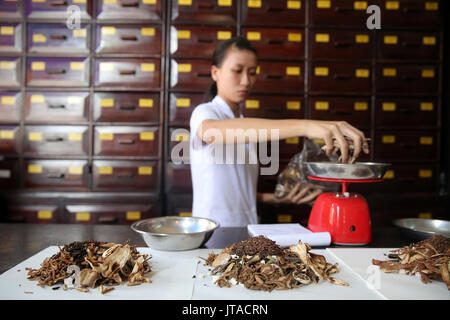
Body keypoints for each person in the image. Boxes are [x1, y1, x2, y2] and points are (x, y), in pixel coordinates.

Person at [189, 36, 369, 227]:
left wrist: (278, 198)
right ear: (215, 72)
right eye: (237, 71)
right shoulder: (205, 112)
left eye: (252, 73)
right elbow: (212, 132)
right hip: (213, 231)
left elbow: (235, 190)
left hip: (246, 227)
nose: (246, 81)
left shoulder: (241, 122)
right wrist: (305, 126)